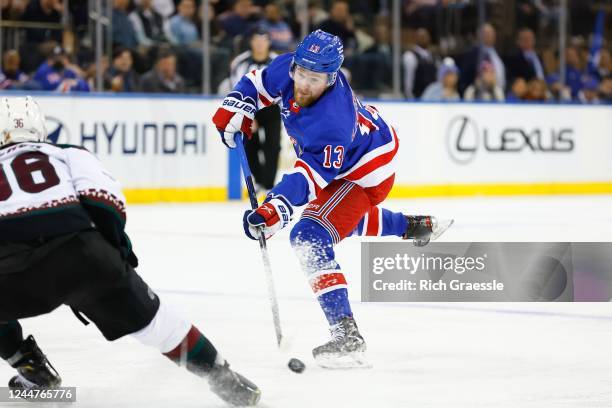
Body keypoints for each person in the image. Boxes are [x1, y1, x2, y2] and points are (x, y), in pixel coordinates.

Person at [0, 96, 260, 406]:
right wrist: (119, 256)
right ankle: (223, 379)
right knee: (159, 324)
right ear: (41, 130)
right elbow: (104, 202)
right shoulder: (67, 153)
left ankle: (33, 369)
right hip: (82, 254)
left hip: (9, 267)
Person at [212, 30, 446, 367]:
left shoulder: (333, 122)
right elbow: (257, 84)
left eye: (315, 78)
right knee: (339, 220)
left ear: (331, 77)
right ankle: (414, 227)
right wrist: (235, 105)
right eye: (301, 74)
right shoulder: (291, 69)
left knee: (310, 234)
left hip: (366, 173)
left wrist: (274, 210)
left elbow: (307, 179)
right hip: (346, 158)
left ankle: (346, 333)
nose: (304, 84)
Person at [229, 27, 281, 192]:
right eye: (256, 40)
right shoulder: (240, 62)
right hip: (250, 108)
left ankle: (268, 184)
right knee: (250, 144)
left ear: (268, 42)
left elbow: (284, 87)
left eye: (263, 40)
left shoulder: (277, 61)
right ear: (251, 42)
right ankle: (258, 180)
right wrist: (248, 114)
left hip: (272, 108)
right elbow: (237, 89)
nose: (259, 44)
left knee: (272, 145)